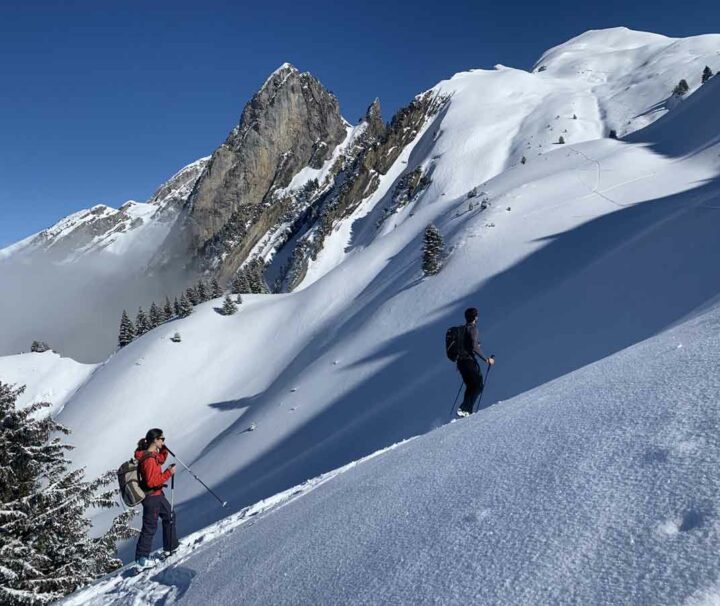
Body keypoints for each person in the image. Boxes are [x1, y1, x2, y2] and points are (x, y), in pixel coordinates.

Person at [134, 428, 178, 569]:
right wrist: (168, 473)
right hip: (151, 497)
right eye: (162, 439)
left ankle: (171, 547)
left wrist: (164, 450)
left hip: (158, 495)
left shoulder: (152, 455)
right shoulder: (148, 460)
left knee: (169, 515)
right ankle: (142, 558)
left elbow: (161, 459)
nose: (163, 441)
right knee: (149, 527)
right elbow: (152, 482)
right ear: (155, 440)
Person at [456, 307, 494, 417]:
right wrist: (486, 359)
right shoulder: (473, 329)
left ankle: (467, 411)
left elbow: (468, 346)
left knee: (471, 386)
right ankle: (464, 408)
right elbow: (474, 346)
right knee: (478, 385)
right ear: (475, 317)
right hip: (469, 362)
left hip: (461, 363)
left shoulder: (462, 330)